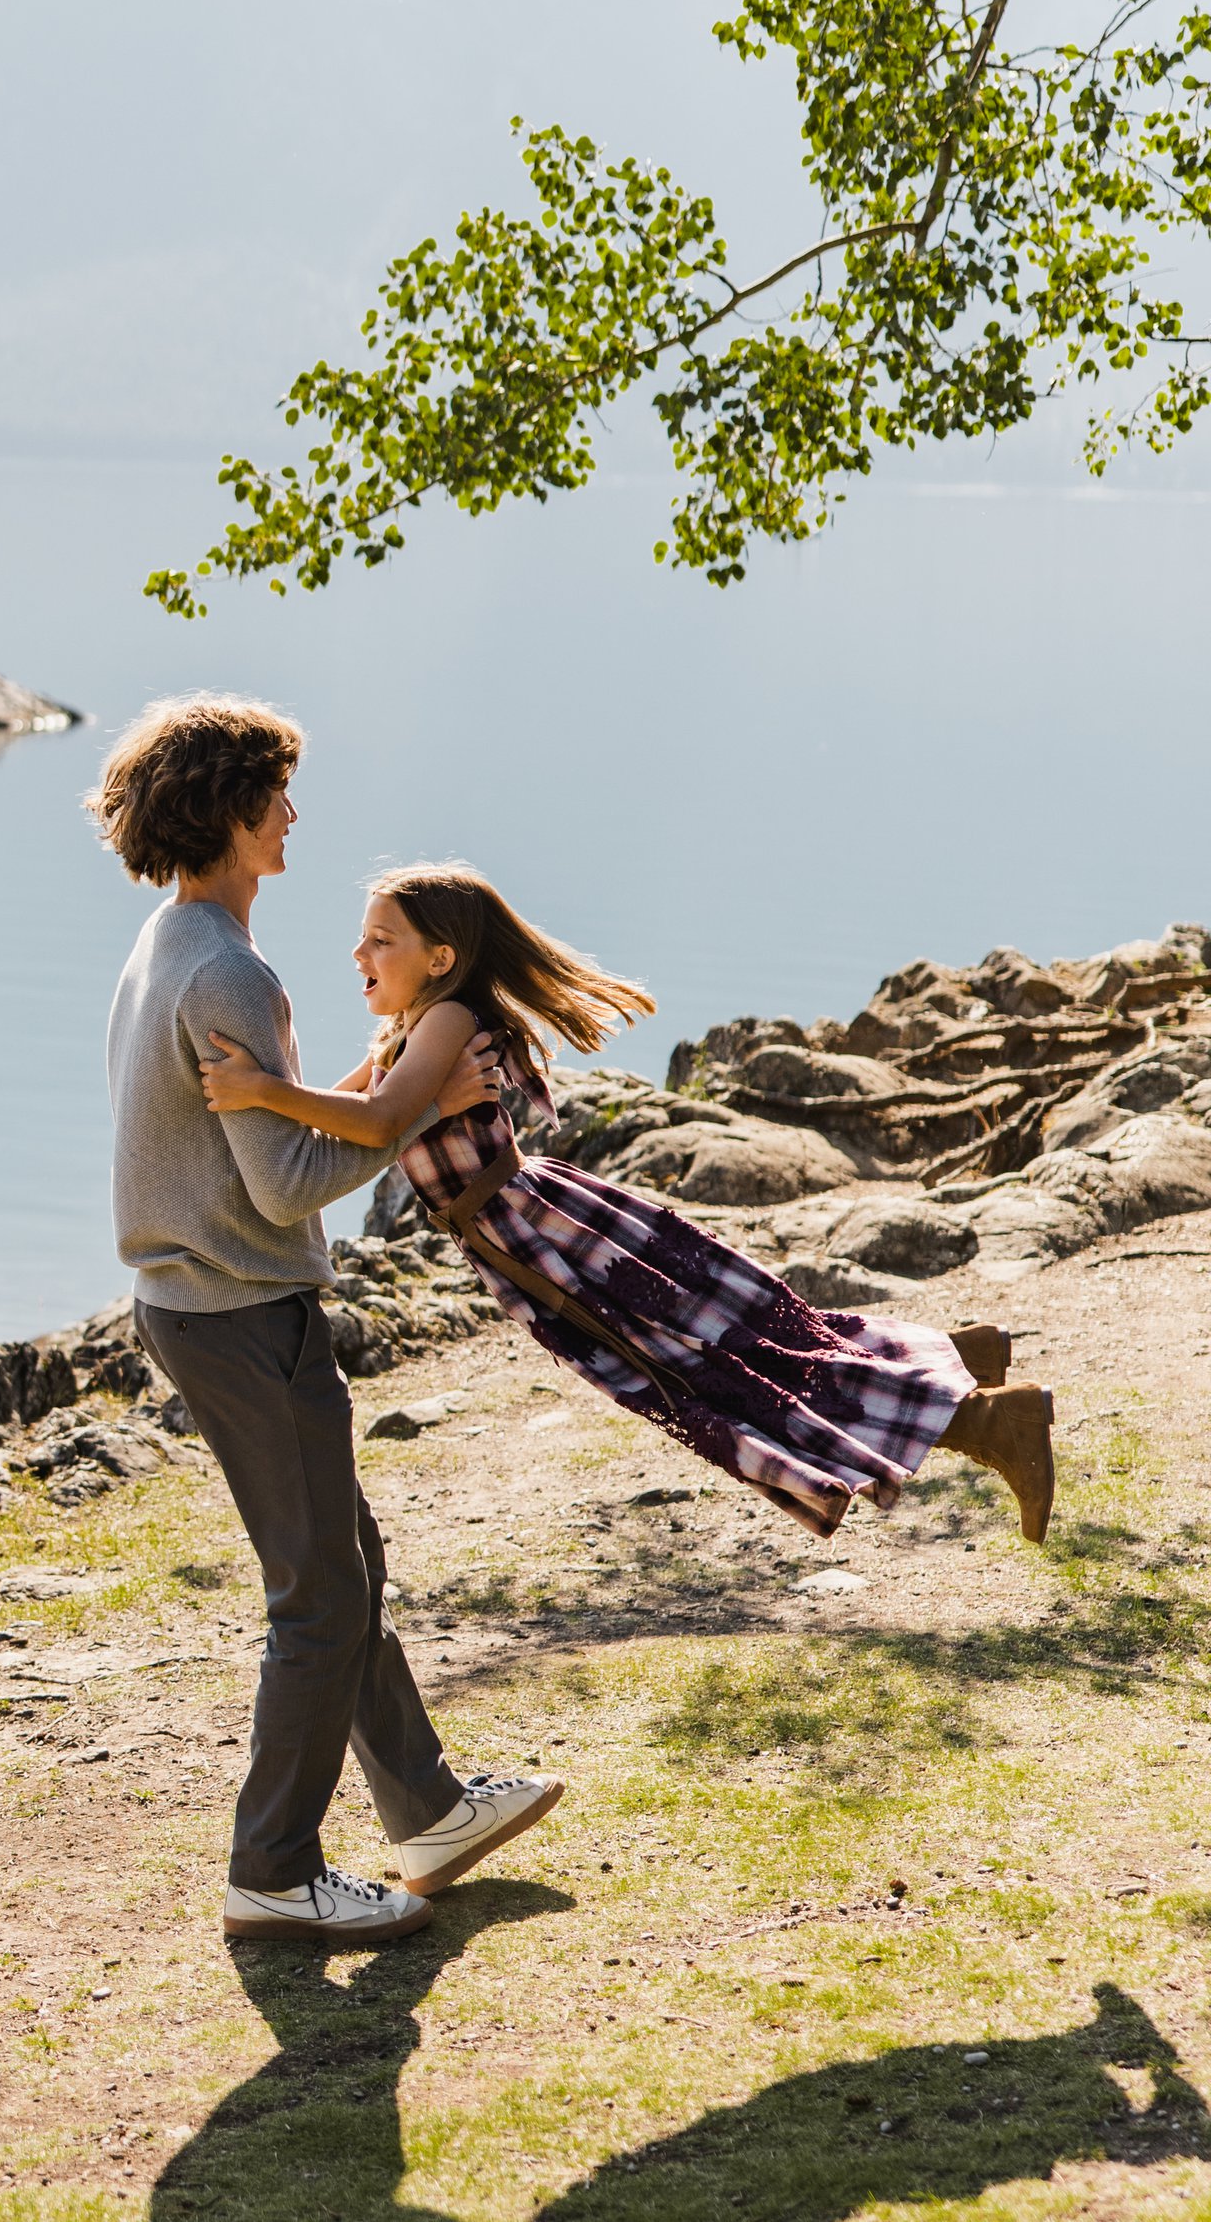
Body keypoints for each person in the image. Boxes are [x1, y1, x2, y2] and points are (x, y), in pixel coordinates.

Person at [90, 698, 565, 1945]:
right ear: (236, 813)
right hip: (243, 1309)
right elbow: (288, 1182)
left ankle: (430, 1812)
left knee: (344, 1573)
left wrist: (368, 1081)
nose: (293, 815)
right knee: (318, 1598)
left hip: (198, 1300)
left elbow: (253, 1131)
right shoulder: (232, 971)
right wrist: (420, 1106)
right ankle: (274, 1868)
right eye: (279, 797)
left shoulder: (170, 941)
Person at [199, 860, 1057, 1546]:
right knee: (729, 1346)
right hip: (537, 1238)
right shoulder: (413, 1030)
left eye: (379, 940)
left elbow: (378, 1118)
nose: (359, 956)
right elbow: (348, 1115)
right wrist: (267, 1099)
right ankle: (954, 1358)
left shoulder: (449, 1018)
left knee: (714, 1370)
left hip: (551, 1243)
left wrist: (257, 1089)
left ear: (441, 957)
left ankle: (988, 1419)